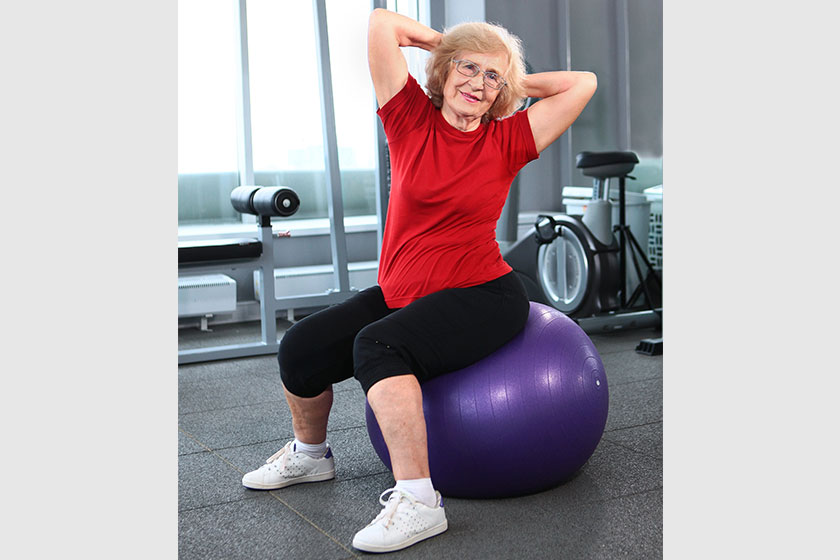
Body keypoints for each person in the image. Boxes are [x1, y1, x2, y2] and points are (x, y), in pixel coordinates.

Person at [241, 8, 597, 554]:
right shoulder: (408, 117)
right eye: (467, 68)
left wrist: (507, 80)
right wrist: (453, 47)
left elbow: (582, 83)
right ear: (445, 69)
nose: (477, 83)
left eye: (491, 77)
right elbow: (383, 24)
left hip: (483, 293)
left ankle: (419, 502)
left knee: (379, 346)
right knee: (302, 347)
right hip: (403, 293)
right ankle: (310, 456)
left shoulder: (508, 139)